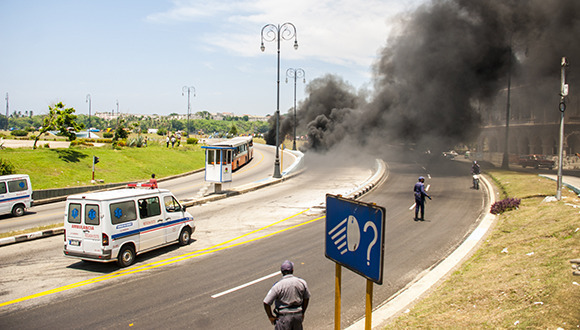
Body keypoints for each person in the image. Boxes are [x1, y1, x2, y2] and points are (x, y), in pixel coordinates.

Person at [263, 260, 311, 330]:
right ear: (292, 270)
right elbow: (306, 297)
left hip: (284, 317)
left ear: (282, 272)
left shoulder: (278, 285)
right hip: (297, 316)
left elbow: (266, 302)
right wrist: (302, 312)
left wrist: (270, 316)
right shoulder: (301, 282)